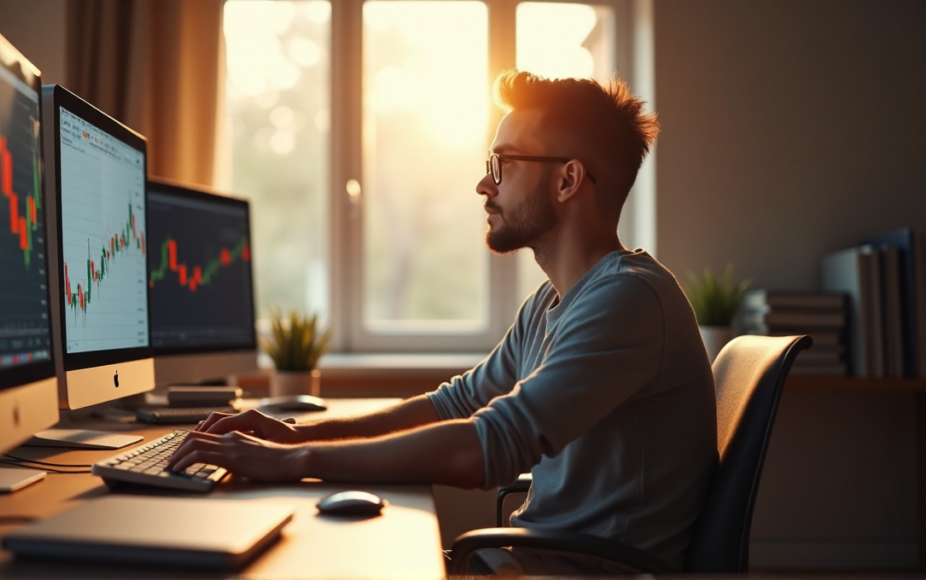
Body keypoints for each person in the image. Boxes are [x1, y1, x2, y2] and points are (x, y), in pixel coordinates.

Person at [167, 70, 716, 575]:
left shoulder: (629, 299)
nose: (484, 185)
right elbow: (457, 405)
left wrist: (293, 462)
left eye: (503, 164)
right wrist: (295, 436)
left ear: (568, 179)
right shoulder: (551, 304)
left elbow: (484, 447)